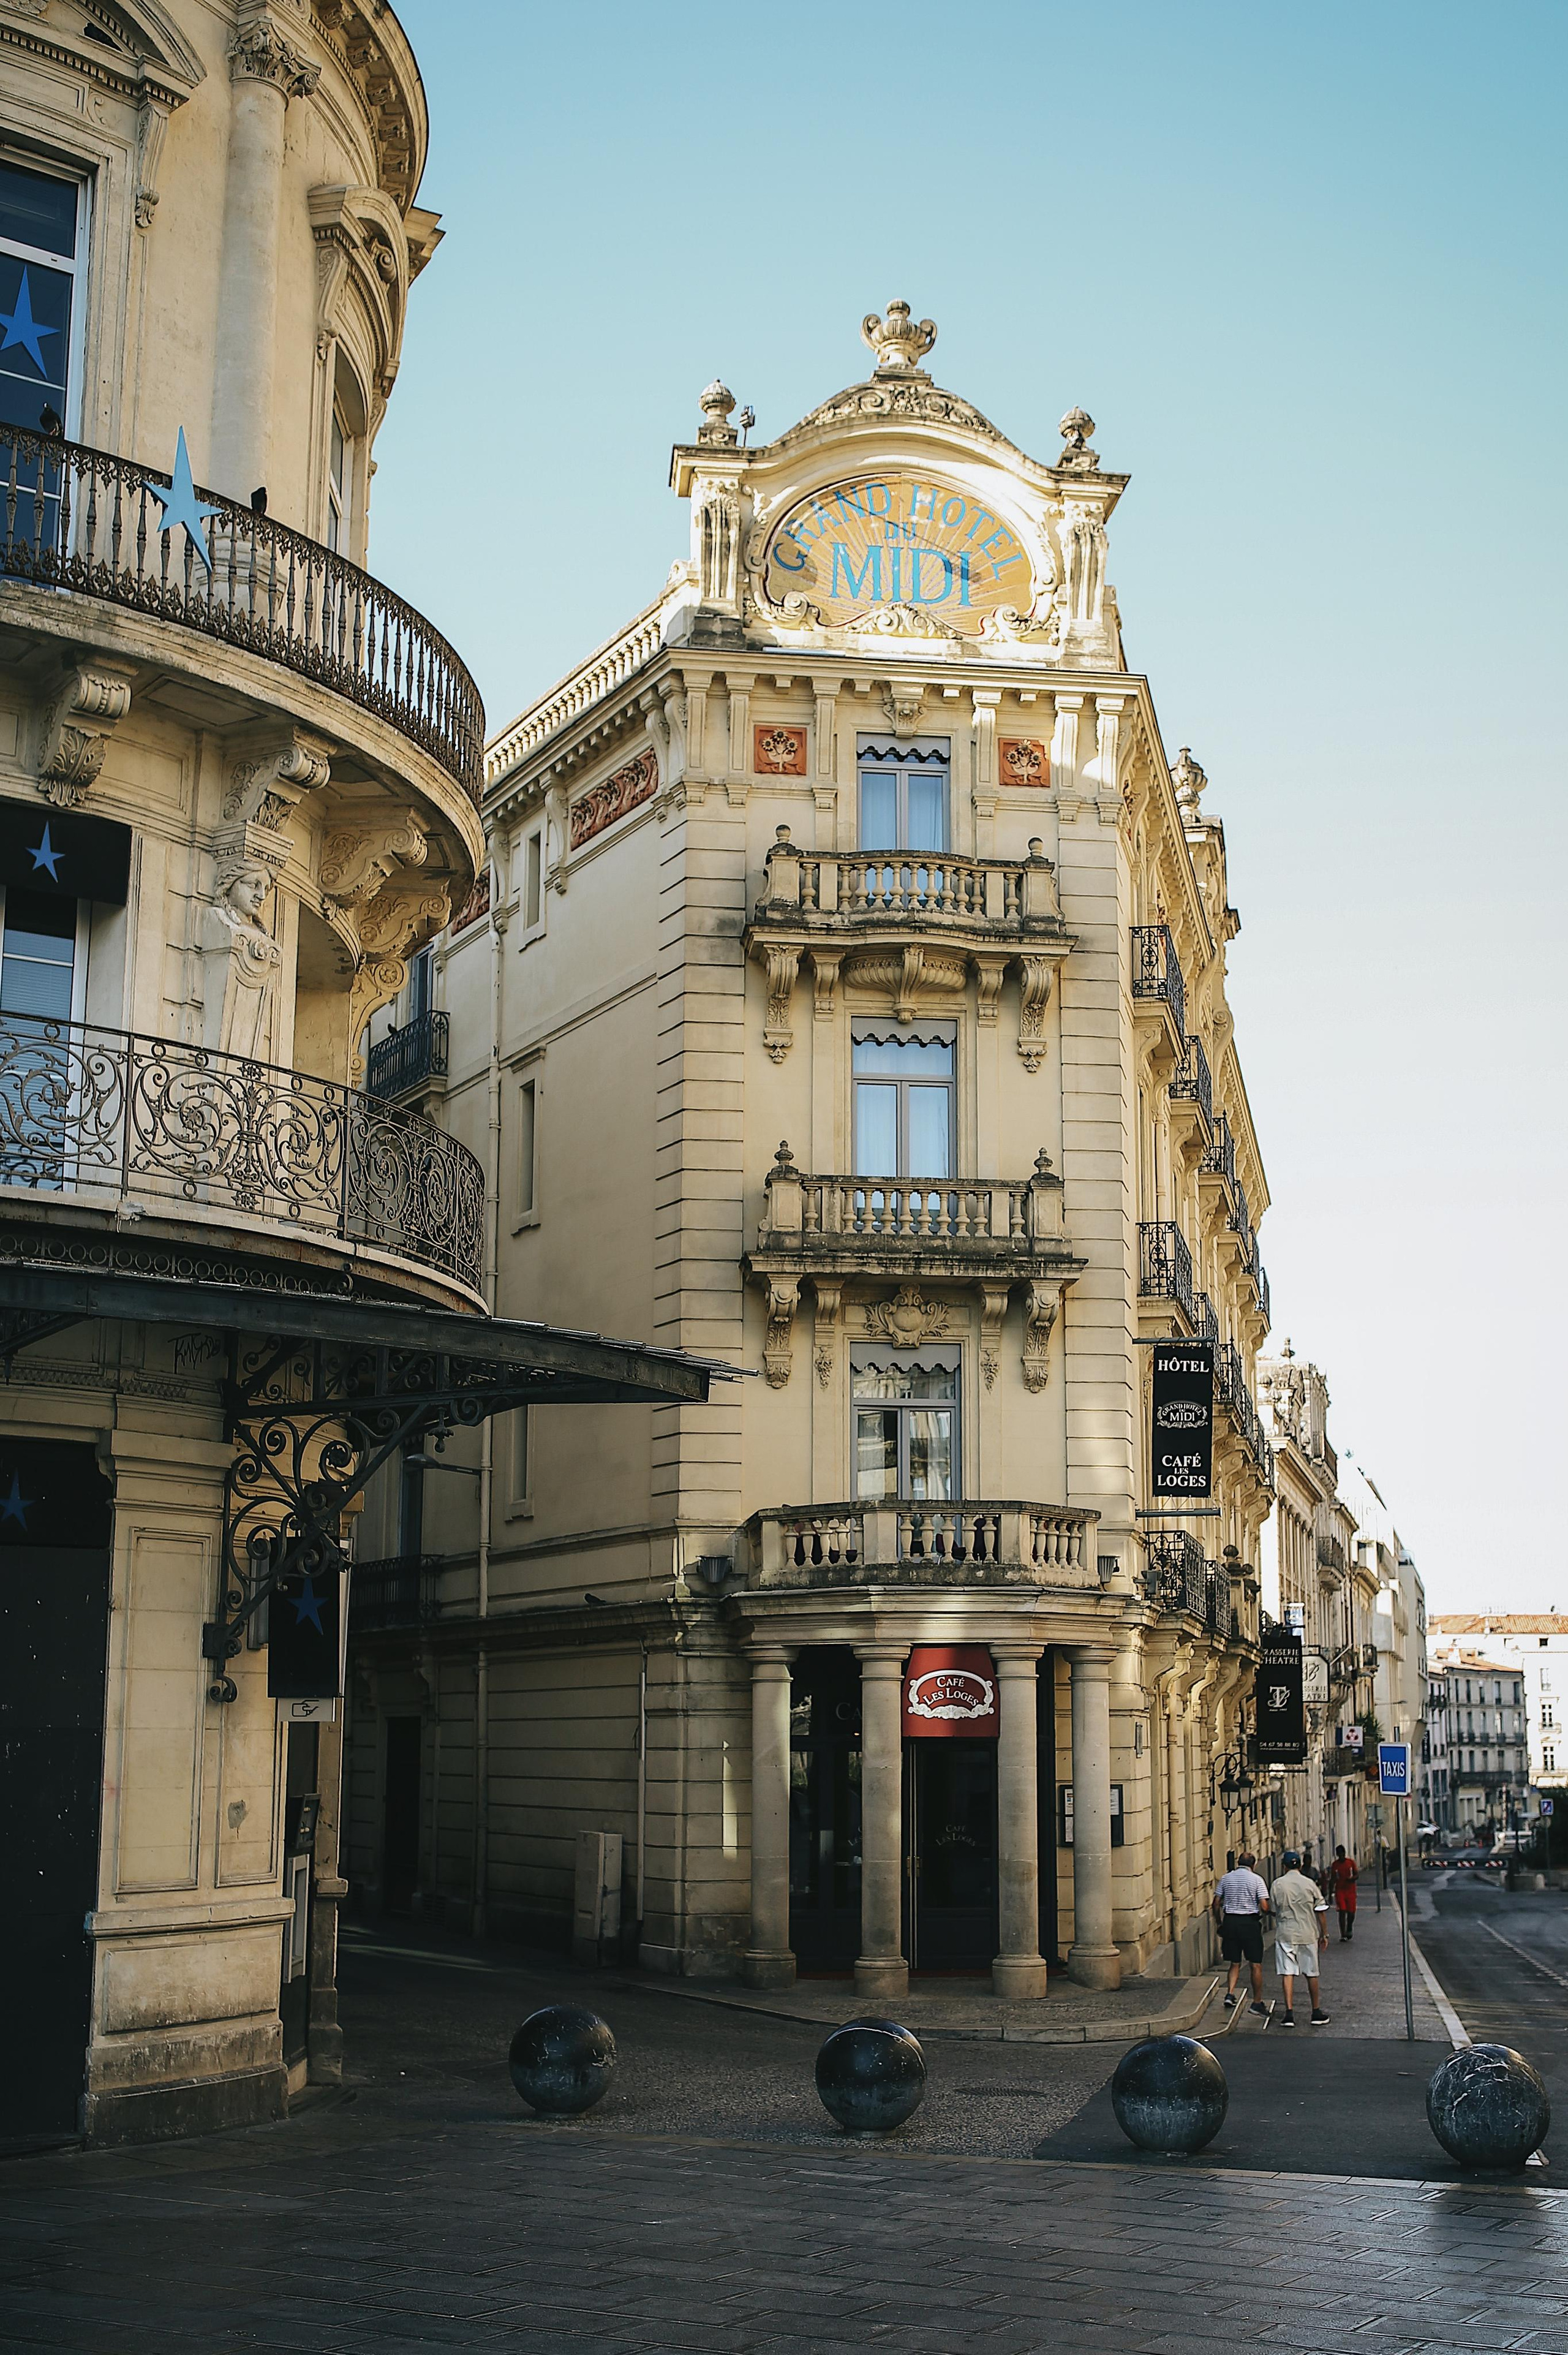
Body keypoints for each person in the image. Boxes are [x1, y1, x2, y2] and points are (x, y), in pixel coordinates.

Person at [1270, 1848, 1331, 2026]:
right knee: (1312, 1973)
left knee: (1287, 1973)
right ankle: (1316, 2011)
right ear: (1300, 1865)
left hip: (1285, 1934)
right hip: (1308, 1933)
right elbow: (1320, 1911)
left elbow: (1274, 1910)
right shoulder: (1310, 1884)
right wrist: (1324, 1934)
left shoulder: (1277, 1884)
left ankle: (1289, 2014)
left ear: (1284, 1866)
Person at [1213, 1851, 1272, 2015]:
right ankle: (1257, 2002)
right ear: (1253, 1865)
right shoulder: (1257, 1880)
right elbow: (1264, 1906)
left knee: (1235, 1962)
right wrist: (1267, 1913)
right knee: (1255, 1964)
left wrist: (1220, 1923)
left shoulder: (1226, 1878)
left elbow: (1216, 1903)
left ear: (1238, 1862)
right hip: (1249, 1924)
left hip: (1230, 1922)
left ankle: (1230, 1993)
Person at [1327, 1844, 1358, 1939]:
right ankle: (1343, 1934)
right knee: (1342, 1911)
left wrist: (1352, 1879)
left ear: (1344, 1853)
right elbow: (1332, 1879)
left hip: (1351, 1890)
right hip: (1340, 1890)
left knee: (1351, 1913)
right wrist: (1330, 1894)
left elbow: (1357, 1875)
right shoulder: (1335, 1865)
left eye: (1342, 1854)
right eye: (1339, 1854)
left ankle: (1349, 1927)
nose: (1341, 1856)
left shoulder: (1351, 1863)